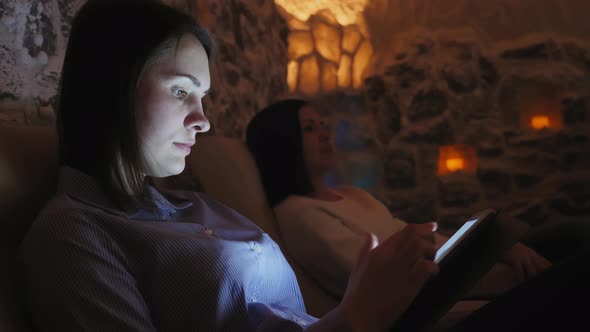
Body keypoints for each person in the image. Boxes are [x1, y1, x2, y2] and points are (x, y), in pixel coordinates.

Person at [18, 1, 589, 331]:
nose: (204, 120)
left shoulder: (192, 206)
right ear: (110, 90)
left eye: (205, 97)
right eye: (182, 91)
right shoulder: (75, 232)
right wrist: (356, 316)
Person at [245, 99, 553, 297]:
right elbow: (386, 284)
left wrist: (496, 247)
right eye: (310, 129)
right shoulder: (299, 214)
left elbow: (425, 240)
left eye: (324, 126)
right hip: (440, 291)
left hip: (454, 267)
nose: (326, 134)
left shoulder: (350, 195)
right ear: (283, 142)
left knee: (560, 237)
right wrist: (494, 264)